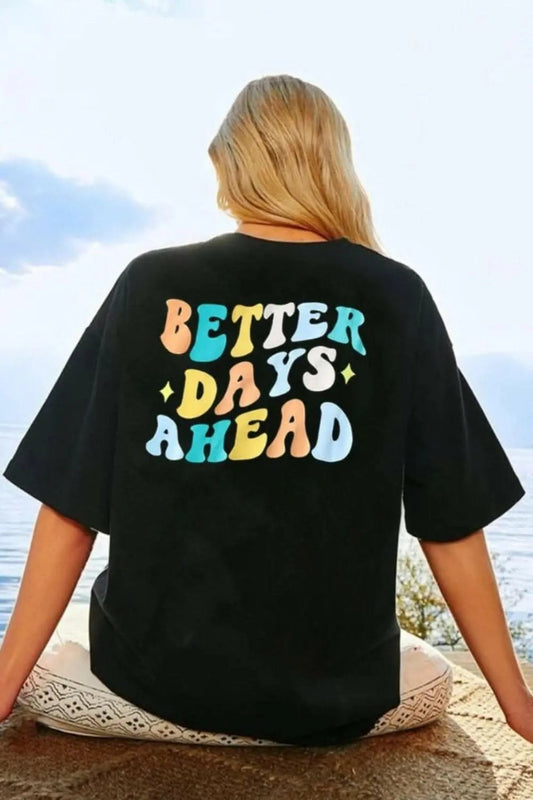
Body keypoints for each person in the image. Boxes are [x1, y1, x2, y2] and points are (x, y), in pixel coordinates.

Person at [1, 74, 531, 747]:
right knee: (431, 673)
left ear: (229, 161)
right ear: (332, 163)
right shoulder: (397, 294)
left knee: (59, 658)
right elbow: (451, 525)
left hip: (151, 690)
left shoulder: (150, 281)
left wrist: (5, 687)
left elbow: (69, 508)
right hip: (332, 705)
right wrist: (517, 705)